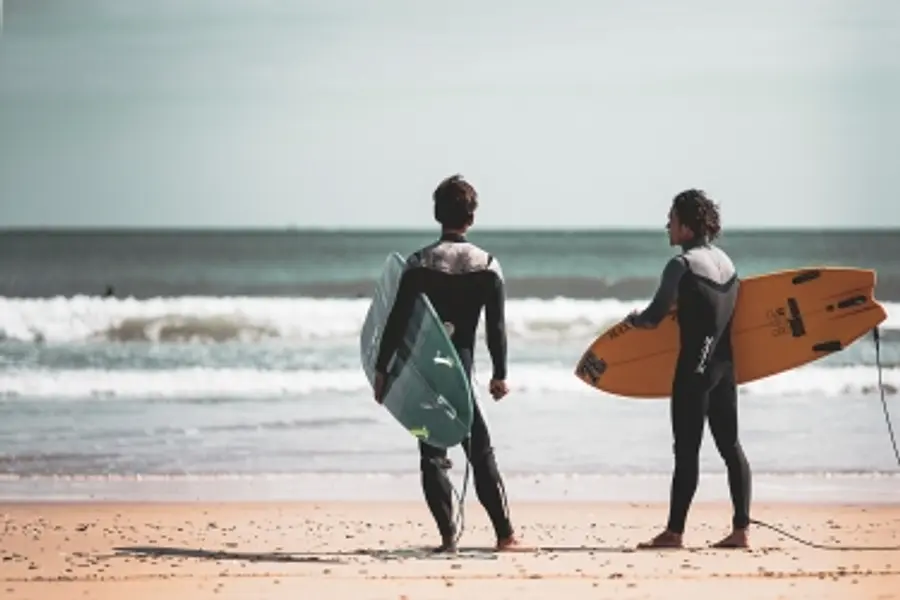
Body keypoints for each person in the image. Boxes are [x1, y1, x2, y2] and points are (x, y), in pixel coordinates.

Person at [372, 174, 524, 553]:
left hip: (427, 375)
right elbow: (496, 329)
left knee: (432, 454)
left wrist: (382, 370)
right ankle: (505, 536)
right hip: (464, 373)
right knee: (481, 452)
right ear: (471, 217)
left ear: (438, 214)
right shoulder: (488, 266)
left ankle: (447, 539)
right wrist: (499, 375)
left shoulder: (419, 263)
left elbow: (397, 323)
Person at [625, 189, 752, 549]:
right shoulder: (728, 264)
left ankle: (674, 532)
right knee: (731, 446)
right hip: (726, 369)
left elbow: (654, 316)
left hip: (694, 370)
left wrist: (634, 321)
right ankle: (741, 530)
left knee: (686, 451)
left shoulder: (681, 266)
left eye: (672, 219)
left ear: (686, 226)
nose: (667, 225)